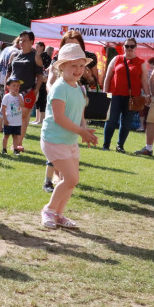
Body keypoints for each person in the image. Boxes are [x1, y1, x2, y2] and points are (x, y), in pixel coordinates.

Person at [40, 43, 99, 229]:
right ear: (62, 66)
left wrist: (85, 130)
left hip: (70, 140)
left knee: (71, 181)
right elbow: (59, 118)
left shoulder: (79, 88)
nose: (79, 70)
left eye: (82, 65)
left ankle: (59, 214)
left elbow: (80, 116)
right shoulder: (59, 88)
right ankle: (49, 210)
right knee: (71, 179)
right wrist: (81, 131)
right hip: (54, 140)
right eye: (74, 65)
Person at [102, 37, 150, 152]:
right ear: (123, 47)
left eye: (131, 46)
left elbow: (144, 80)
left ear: (136, 47)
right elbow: (107, 77)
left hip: (132, 97)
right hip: (114, 95)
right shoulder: (116, 59)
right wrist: (105, 94)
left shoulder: (141, 62)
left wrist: (148, 95)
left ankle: (120, 146)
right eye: (126, 46)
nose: (129, 48)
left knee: (126, 123)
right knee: (111, 120)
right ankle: (106, 145)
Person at [10, 31, 45, 147]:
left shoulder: (36, 57)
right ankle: (15, 142)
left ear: (31, 42)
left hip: (28, 91)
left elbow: (40, 76)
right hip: (13, 91)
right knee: (13, 116)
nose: (21, 42)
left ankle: (18, 143)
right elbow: (9, 71)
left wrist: (35, 91)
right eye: (20, 40)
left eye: (25, 40)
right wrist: (7, 84)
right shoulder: (14, 55)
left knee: (23, 116)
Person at [0, 77, 24, 154]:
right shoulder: (7, 97)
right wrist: (5, 119)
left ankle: (16, 150)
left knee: (15, 136)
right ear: (8, 87)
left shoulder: (20, 96)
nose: (16, 87)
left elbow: (22, 105)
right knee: (6, 136)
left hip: (17, 121)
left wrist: (18, 96)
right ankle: (4, 149)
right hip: (9, 120)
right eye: (14, 85)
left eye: (18, 86)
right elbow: (3, 109)